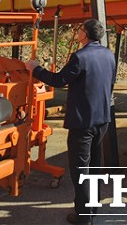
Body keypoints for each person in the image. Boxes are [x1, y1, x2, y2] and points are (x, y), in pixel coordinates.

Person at [26, 19, 115, 225]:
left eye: (80, 29)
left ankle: (83, 217)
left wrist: (36, 68)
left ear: (84, 35)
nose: (78, 32)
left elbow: (58, 81)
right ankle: (91, 210)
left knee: (80, 170)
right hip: (102, 119)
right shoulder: (108, 54)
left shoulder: (80, 57)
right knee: (93, 167)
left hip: (82, 122)